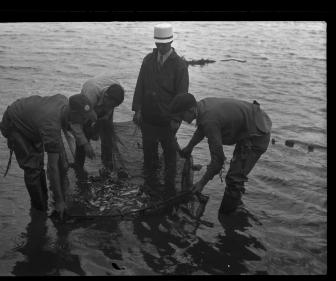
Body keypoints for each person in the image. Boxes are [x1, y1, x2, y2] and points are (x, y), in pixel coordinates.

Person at [170, 93, 272, 214]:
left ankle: (228, 214)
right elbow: (202, 128)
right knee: (236, 172)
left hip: (257, 135)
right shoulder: (202, 106)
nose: (182, 120)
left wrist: (201, 183)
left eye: (182, 116)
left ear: (191, 109)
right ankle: (236, 211)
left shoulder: (209, 119)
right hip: (251, 125)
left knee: (234, 178)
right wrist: (189, 147)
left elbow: (218, 161)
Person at [0, 93, 97, 219]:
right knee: (33, 169)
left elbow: (74, 124)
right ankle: (40, 211)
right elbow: (52, 167)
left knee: (48, 163)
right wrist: (60, 201)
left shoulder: (64, 101)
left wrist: (85, 142)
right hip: (14, 124)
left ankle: (47, 199)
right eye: (83, 118)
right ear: (72, 113)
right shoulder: (51, 126)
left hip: (31, 119)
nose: (84, 122)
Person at [132, 23, 189, 196]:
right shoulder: (148, 60)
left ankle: (169, 188)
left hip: (167, 119)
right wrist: (138, 110)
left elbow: (182, 94)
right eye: (158, 44)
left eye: (163, 45)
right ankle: (150, 183)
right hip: (148, 116)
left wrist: (176, 119)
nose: (160, 47)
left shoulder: (180, 65)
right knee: (149, 153)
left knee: (170, 154)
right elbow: (140, 85)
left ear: (171, 43)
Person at [70, 75, 125, 178]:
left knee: (107, 131)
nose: (110, 108)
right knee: (85, 129)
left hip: (105, 93)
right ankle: (79, 165)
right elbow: (76, 124)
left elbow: (109, 108)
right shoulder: (89, 97)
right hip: (89, 100)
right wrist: (86, 144)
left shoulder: (117, 92)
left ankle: (107, 164)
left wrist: (105, 118)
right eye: (110, 105)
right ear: (105, 97)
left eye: (114, 106)